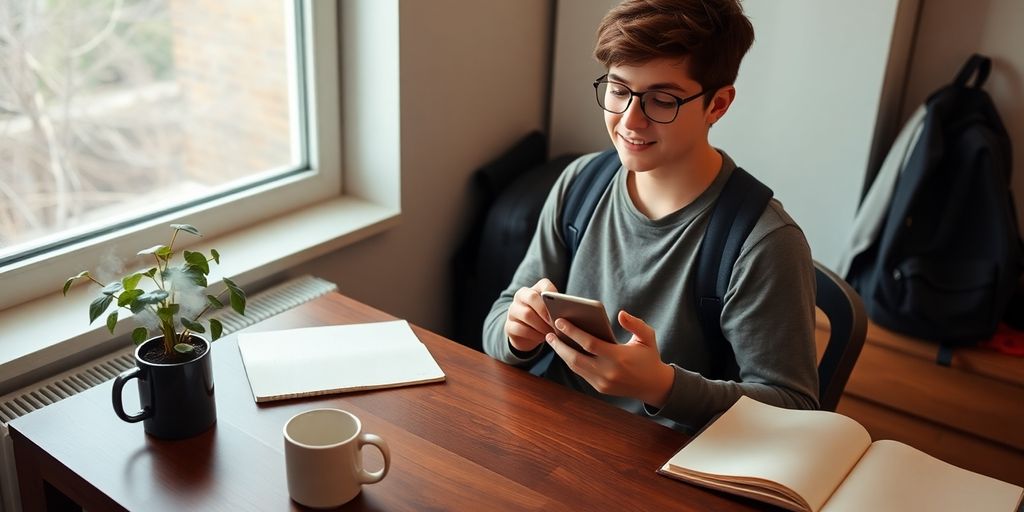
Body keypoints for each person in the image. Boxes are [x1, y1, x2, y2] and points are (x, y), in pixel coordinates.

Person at [481, 0, 819, 432]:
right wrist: (516, 334)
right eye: (618, 90)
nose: (630, 120)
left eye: (662, 100)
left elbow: (794, 409)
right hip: (553, 431)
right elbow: (501, 317)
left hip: (669, 460)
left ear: (717, 105)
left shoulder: (764, 243)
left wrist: (663, 387)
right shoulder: (580, 183)